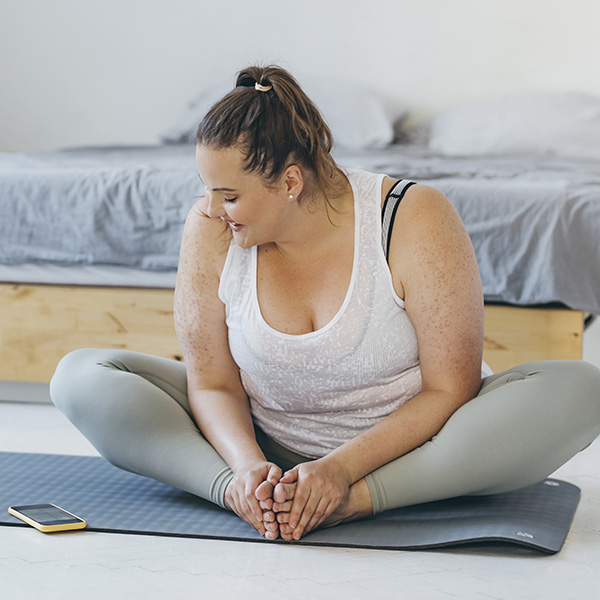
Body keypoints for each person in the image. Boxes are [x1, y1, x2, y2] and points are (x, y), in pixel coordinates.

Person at [50, 65, 600, 542]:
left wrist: (340, 475)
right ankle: (245, 496)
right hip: (265, 443)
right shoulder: (210, 225)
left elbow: (448, 388)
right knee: (82, 376)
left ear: (290, 181)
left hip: (417, 452)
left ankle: (358, 500)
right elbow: (212, 382)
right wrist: (244, 470)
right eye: (208, 189)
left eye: (231, 194)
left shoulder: (413, 216)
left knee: (581, 390)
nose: (213, 209)